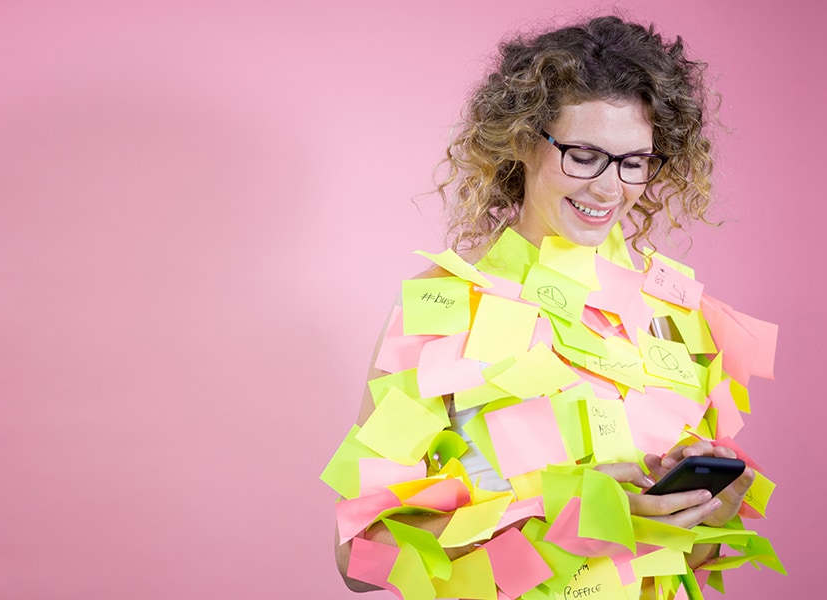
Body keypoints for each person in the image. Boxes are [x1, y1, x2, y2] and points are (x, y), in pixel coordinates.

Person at [325, 15, 781, 599]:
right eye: (584, 155)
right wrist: (554, 512)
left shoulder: (676, 313)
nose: (609, 188)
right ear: (521, 140)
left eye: (634, 161)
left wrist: (708, 515)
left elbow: (681, 562)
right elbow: (358, 560)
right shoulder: (444, 308)